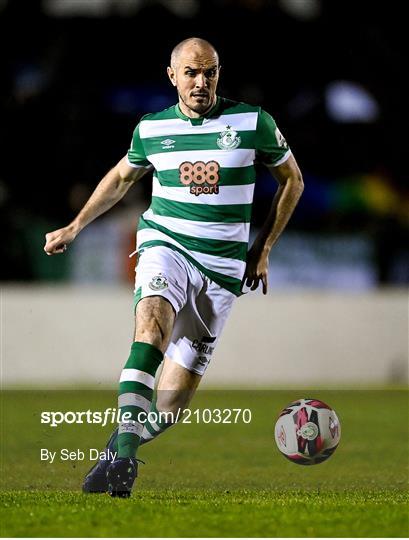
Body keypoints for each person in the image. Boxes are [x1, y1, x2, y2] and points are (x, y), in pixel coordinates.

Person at [44, 37, 304, 497]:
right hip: (167, 245)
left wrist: (263, 248)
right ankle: (127, 458)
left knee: (172, 404)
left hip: (223, 272)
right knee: (151, 325)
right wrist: (75, 226)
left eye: (210, 72)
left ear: (219, 73)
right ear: (172, 76)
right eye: (191, 73)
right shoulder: (151, 129)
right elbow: (123, 177)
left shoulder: (253, 122)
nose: (201, 82)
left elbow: (292, 181)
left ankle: (117, 448)